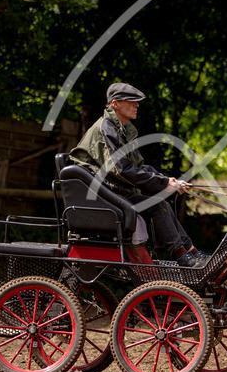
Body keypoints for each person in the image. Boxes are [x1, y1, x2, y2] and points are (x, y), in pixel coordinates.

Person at [69, 82, 209, 267]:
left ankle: (191, 251)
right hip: (100, 197)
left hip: (112, 191)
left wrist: (167, 180)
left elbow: (139, 166)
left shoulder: (122, 130)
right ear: (115, 104)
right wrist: (163, 184)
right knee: (157, 205)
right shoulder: (105, 128)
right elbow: (122, 169)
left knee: (161, 204)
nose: (137, 105)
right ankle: (182, 256)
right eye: (131, 101)